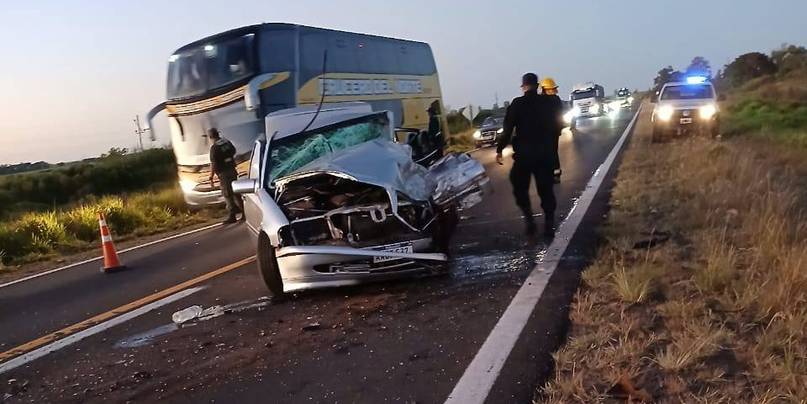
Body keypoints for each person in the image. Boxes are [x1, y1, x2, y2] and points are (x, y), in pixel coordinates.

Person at [496, 73, 562, 238]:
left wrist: (500, 149)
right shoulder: (549, 102)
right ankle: (548, 225)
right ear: (538, 85)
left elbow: (508, 129)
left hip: (524, 156)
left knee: (519, 188)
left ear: (524, 86)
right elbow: (558, 126)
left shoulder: (517, 104)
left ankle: (529, 220)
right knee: (546, 190)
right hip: (545, 155)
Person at [208, 128, 244, 224]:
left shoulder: (214, 148)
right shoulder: (227, 142)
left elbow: (213, 163)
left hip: (224, 173)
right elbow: (233, 151)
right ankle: (244, 213)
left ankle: (232, 216)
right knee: (236, 193)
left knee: (227, 194)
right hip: (232, 170)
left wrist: (211, 176)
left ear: (211, 137)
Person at [540, 77, 565, 184]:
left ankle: (553, 174)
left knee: (549, 152)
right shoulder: (555, 100)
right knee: (552, 152)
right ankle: (554, 174)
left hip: (548, 132)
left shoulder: (541, 101)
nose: (554, 90)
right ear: (545, 89)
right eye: (552, 88)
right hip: (552, 131)